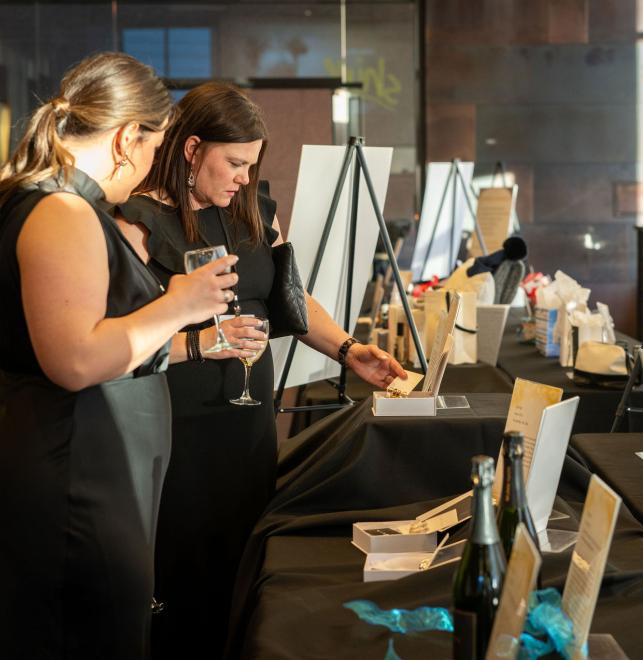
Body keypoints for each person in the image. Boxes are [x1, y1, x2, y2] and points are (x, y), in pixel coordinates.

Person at [114, 82, 407, 660]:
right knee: (181, 580)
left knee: (241, 571)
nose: (245, 177)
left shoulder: (254, 209)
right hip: (176, 430)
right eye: (236, 163)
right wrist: (201, 340)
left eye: (252, 164)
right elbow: (120, 342)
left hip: (246, 424)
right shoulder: (137, 222)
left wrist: (349, 349)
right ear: (192, 149)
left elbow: (292, 301)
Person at [0, 53, 239, 659]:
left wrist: (186, 338)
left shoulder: (54, 204)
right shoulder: (62, 210)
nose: (147, 170)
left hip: (84, 467)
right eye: (155, 148)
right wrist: (180, 305)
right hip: (76, 475)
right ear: (129, 136)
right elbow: (74, 360)